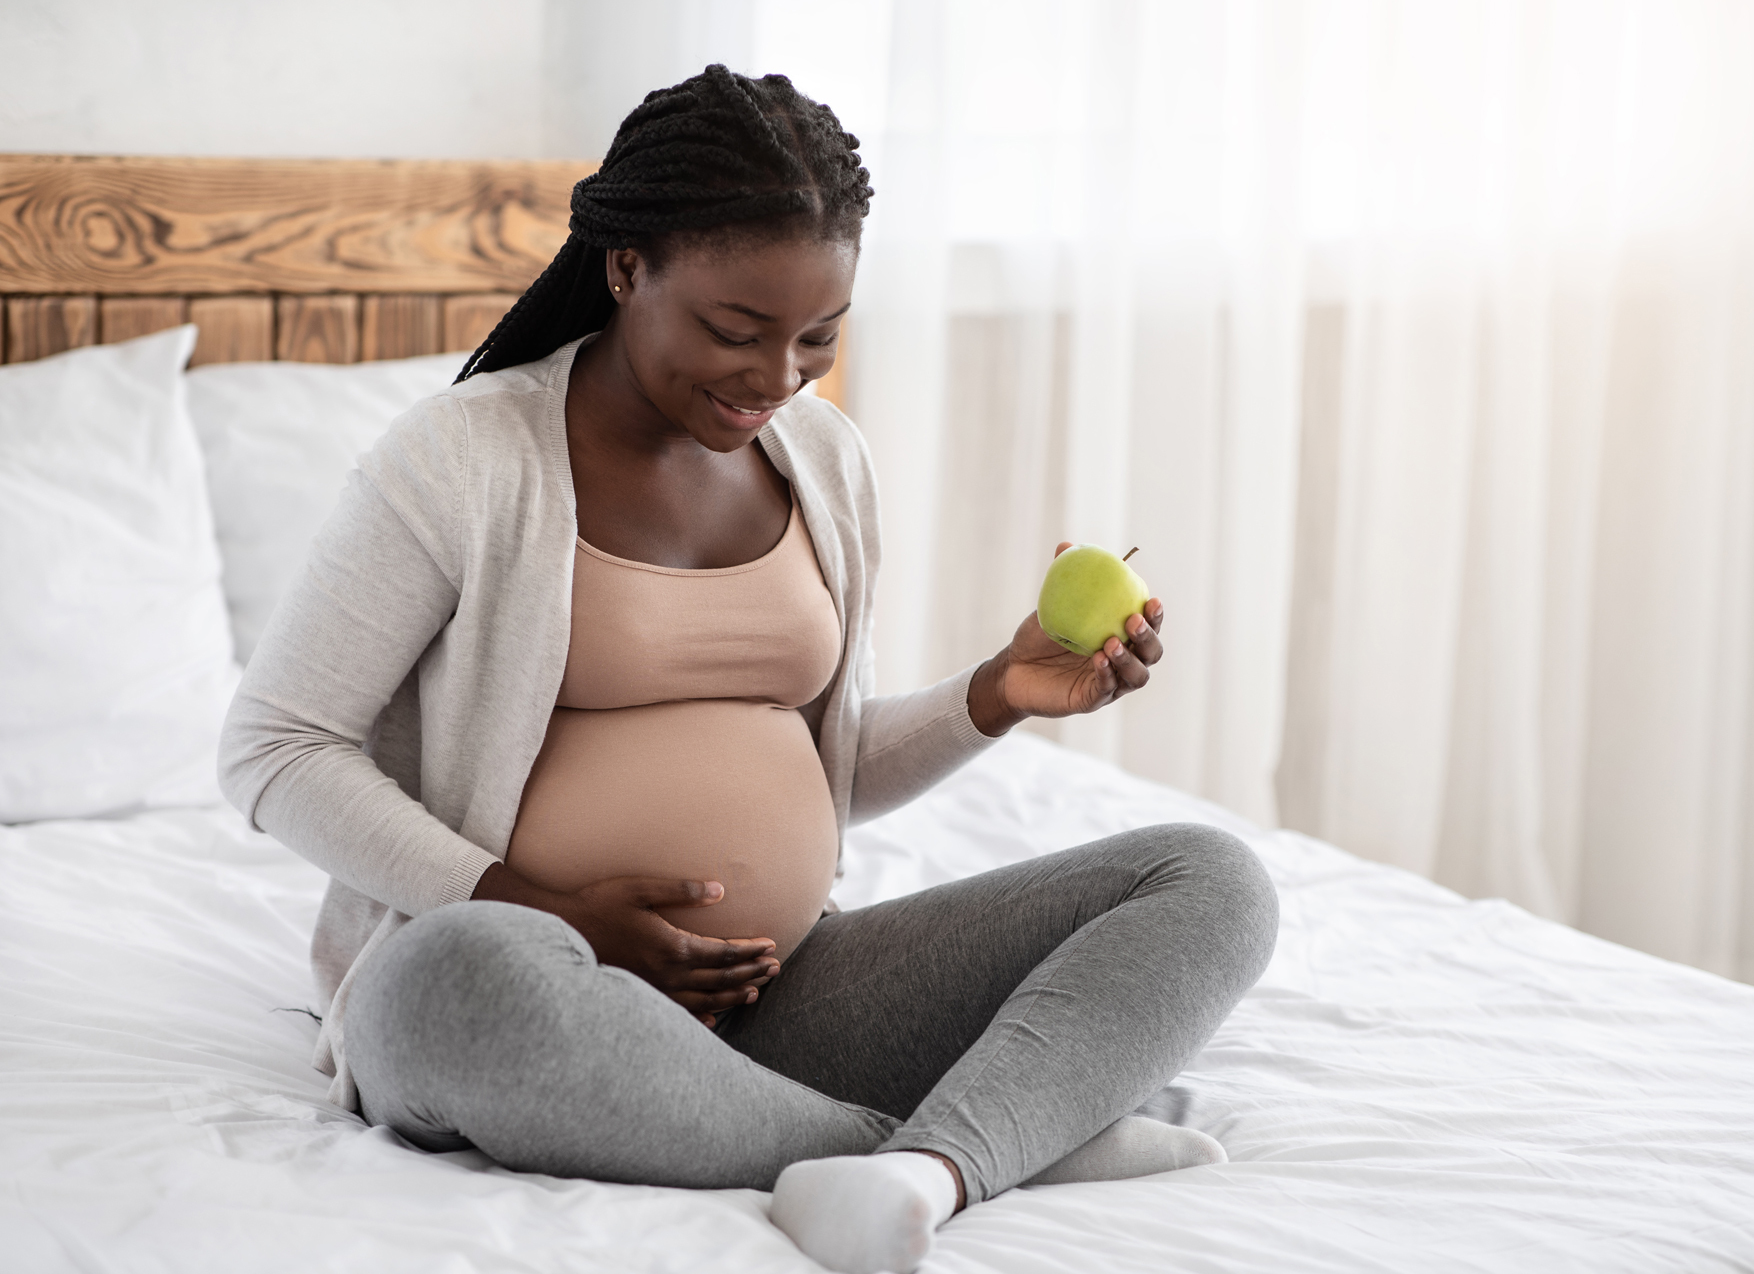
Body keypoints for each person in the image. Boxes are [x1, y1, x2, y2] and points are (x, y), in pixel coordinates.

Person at [220, 65, 1276, 1274]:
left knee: (1209, 878)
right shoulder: (463, 458)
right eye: (735, 330)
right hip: (529, 980)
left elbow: (826, 766)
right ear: (628, 268)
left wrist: (998, 691)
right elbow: (275, 745)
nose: (776, 377)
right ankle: (979, 1149)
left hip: (784, 997)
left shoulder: (822, 457)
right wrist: (548, 911)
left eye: (817, 338)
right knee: (455, 981)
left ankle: (918, 1169)